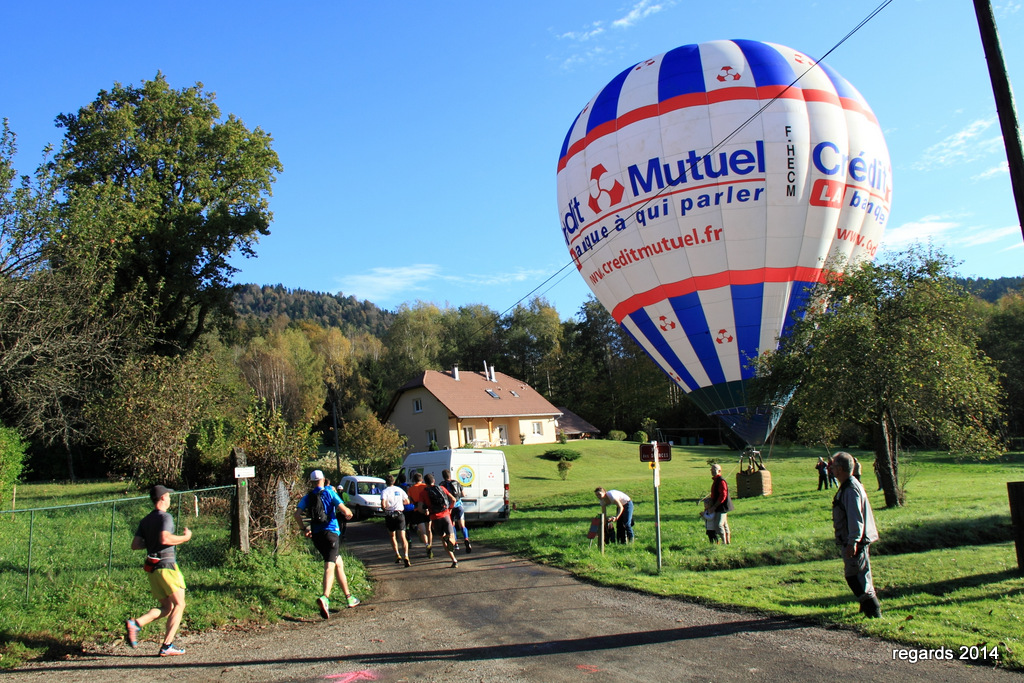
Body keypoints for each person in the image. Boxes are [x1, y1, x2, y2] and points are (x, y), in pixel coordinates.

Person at [124, 484, 192, 657]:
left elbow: (136, 545)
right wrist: (185, 538)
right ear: (162, 498)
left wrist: (152, 542)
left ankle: (136, 623)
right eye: (168, 496)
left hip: (153, 568)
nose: (169, 498)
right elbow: (165, 537)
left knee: (167, 607)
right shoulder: (165, 517)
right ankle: (167, 646)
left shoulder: (145, 520)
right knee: (180, 604)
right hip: (167, 566)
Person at [293, 470, 360, 618]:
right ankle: (325, 598)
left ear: (310, 482)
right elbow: (345, 511)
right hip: (331, 533)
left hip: (317, 535)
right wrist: (348, 513)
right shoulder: (329, 493)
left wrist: (304, 529)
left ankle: (349, 597)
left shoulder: (308, 497)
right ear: (323, 479)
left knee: (338, 562)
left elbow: (297, 515)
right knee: (329, 565)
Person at [830, 451, 881, 618]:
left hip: (855, 541)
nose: (831, 469)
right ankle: (866, 608)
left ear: (840, 469)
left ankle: (873, 610)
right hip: (854, 539)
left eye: (834, 466)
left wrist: (853, 541)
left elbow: (855, 518)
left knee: (855, 577)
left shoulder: (850, 490)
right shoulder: (850, 485)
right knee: (861, 575)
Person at [423, 473, 460, 568]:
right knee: (451, 535)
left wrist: (425, 511)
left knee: (442, 538)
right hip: (446, 515)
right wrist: (450, 509)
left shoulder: (424, 492)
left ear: (425, 482)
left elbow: (420, 507)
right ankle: (451, 542)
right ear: (434, 481)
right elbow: (453, 499)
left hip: (435, 518)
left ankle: (454, 559)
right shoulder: (442, 488)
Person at [379, 474, 412, 567]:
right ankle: (406, 555)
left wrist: (386, 508)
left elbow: (383, 504)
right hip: (400, 514)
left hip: (390, 515)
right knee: (402, 537)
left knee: (392, 536)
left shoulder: (384, 491)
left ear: (386, 482)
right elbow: (407, 501)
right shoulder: (399, 489)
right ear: (393, 481)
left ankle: (397, 554)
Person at [441, 468, 472, 554]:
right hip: (459, 506)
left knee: (452, 525)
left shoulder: (442, 485)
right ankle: (466, 539)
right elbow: (462, 494)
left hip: (450, 508)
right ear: (450, 475)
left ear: (443, 476)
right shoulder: (457, 483)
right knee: (462, 525)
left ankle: (455, 543)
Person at [405, 471, 432, 557]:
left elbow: (409, 501)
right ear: (422, 479)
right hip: (427, 509)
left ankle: (427, 545)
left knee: (423, 531)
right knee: (429, 529)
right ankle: (430, 545)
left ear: (413, 480)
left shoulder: (410, 489)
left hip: (417, 510)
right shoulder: (425, 486)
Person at [704, 464, 732, 544]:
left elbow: (723, 495)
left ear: (719, 471)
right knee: (724, 524)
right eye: (711, 470)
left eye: (714, 470)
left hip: (721, 506)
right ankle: (727, 542)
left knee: (718, 525)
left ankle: (724, 542)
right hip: (720, 505)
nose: (712, 471)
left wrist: (714, 506)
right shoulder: (716, 480)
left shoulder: (721, 481)